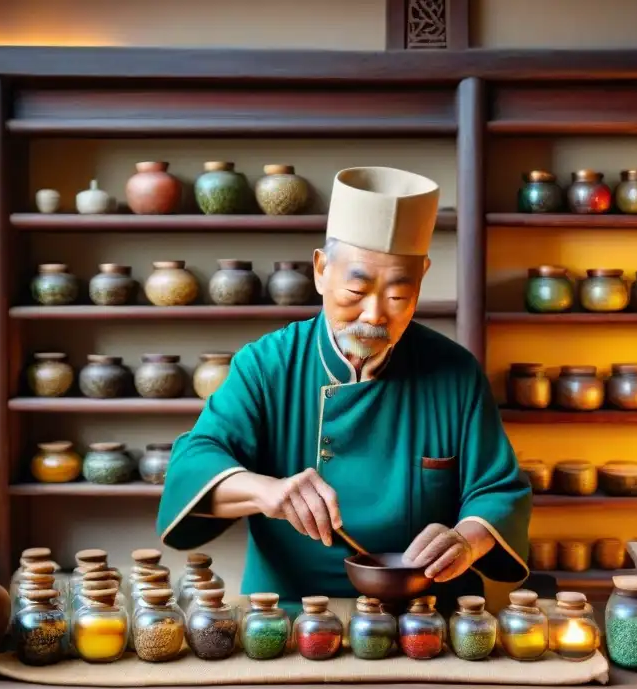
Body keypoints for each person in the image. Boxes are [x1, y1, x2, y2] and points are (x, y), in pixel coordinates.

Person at [156, 166, 531, 612]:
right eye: (356, 289)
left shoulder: (454, 372)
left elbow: (498, 489)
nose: (374, 314)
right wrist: (266, 491)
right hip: (289, 610)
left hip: (426, 612)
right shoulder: (267, 364)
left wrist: (466, 541)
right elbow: (194, 461)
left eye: (397, 297)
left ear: (421, 279)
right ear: (320, 271)